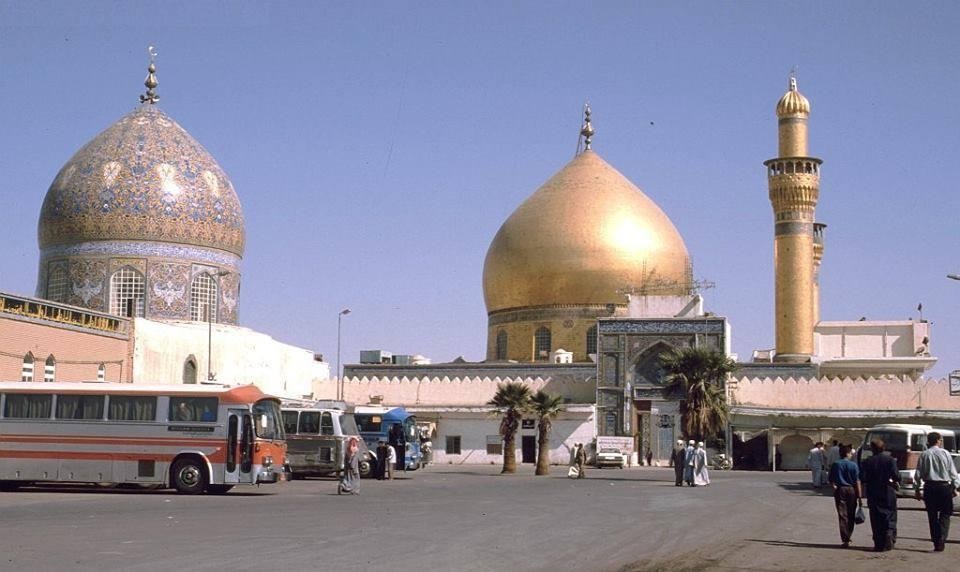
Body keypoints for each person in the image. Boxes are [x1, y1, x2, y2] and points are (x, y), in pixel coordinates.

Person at [913, 431, 960, 552]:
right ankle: (942, 537)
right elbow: (953, 473)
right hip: (944, 487)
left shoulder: (924, 454)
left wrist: (917, 489)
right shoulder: (945, 453)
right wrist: (955, 487)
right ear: (938, 441)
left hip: (930, 487)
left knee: (932, 516)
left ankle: (936, 541)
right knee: (945, 514)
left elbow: (918, 473)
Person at [860, 438, 900, 552]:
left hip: (873, 491)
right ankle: (889, 534)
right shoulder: (890, 460)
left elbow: (862, 478)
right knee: (890, 515)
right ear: (884, 447)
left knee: (875, 517)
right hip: (888, 491)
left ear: (872, 449)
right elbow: (897, 476)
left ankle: (878, 543)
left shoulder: (867, 461)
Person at [828, 443, 862, 548]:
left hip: (840, 489)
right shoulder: (853, 465)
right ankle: (849, 534)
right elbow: (857, 481)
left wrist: (834, 486)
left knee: (842, 515)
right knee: (851, 514)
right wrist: (860, 496)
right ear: (847, 454)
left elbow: (831, 479)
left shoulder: (836, 464)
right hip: (851, 490)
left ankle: (845, 538)